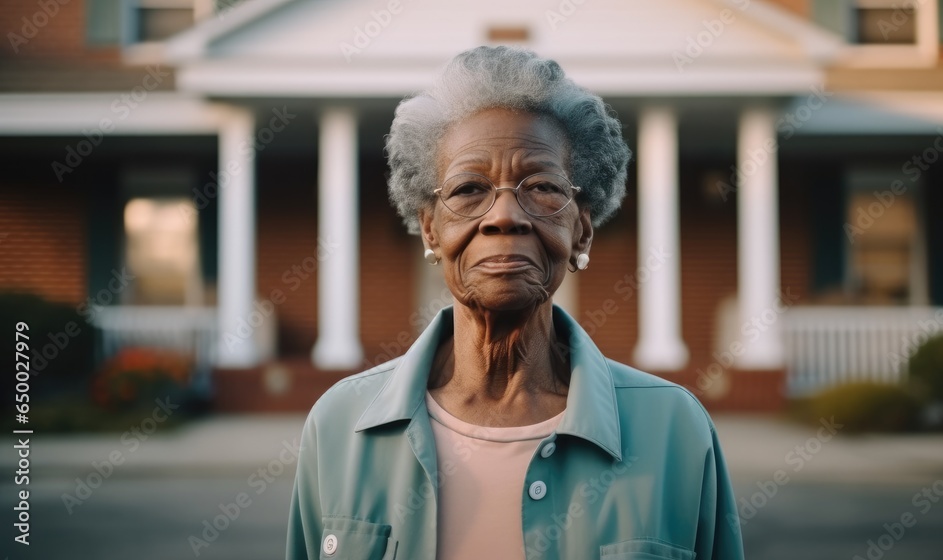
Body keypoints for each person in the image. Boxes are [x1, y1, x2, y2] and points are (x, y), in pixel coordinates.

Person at [287, 45, 744, 560]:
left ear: (582, 230)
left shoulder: (675, 431)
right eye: (468, 189)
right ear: (431, 229)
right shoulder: (339, 427)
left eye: (543, 186)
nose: (504, 215)